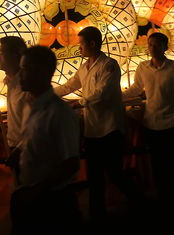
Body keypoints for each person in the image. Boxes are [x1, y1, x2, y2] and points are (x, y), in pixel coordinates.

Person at [55, 26, 139, 220]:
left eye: (81, 44)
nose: (79, 48)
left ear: (92, 43)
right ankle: (97, 213)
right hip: (92, 129)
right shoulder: (84, 67)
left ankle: (137, 201)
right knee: (94, 175)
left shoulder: (109, 65)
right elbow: (70, 85)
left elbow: (103, 92)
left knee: (114, 172)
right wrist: (47, 93)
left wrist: (80, 102)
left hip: (110, 128)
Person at [11, 46, 82, 234]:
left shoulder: (59, 113)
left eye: (25, 69)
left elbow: (71, 164)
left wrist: (37, 190)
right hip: (31, 195)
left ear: (42, 72)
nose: (20, 75)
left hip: (53, 202)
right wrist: (19, 150)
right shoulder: (29, 106)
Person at [124, 32, 174, 202]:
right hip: (150, 122)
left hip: (171, 122)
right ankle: (162, 194)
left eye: (157, 45)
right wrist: (115, 97)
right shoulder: (143, 67)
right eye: (150, 45)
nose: (153, 48)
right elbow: (136, 88)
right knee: (156, 161)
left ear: (166, 47)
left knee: (171, 160)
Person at [0, 36, 30, 174]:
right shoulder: (10, 83)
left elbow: (36, 125)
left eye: (1, 54)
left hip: (29, 151)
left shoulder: (28, 85)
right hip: (16, 148)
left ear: (17, 56)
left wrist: (20, 149)